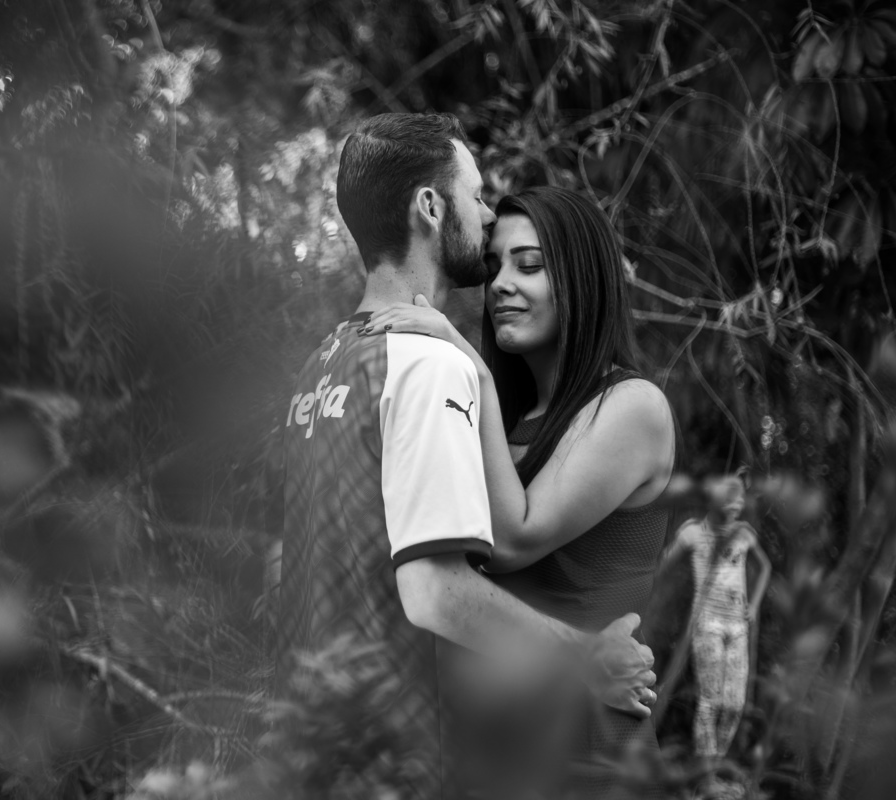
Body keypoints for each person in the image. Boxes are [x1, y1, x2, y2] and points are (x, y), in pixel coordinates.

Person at [276, 115, 657, 800]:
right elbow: (437, 587)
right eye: (476, 196)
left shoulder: (327, 365)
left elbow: (498, 545)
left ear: (581, 279)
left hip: (577, 751)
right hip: (434, 750)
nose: (497, 268)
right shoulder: (432, 370)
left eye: (529, 264)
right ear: (430, 206)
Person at [361, 186, 677, 798]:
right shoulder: (504, 422)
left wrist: (472, 372)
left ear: (582, 281)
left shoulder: (632, 407)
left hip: (588, 760)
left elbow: (511, 541)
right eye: (495, 266)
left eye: (529, 265)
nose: (501, 283)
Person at [660, 474, 771, 761]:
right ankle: (706, 771)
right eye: (730, 500)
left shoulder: (743, 533)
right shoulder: (693, 533)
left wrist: (754, 605)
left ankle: (715, 764)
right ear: (715, 500)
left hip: (737, 627)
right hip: (706, 624)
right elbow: (662, 566)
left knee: (734, 705)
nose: (736, 505)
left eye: (739, 501)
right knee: (711, 700)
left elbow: (765, 567)